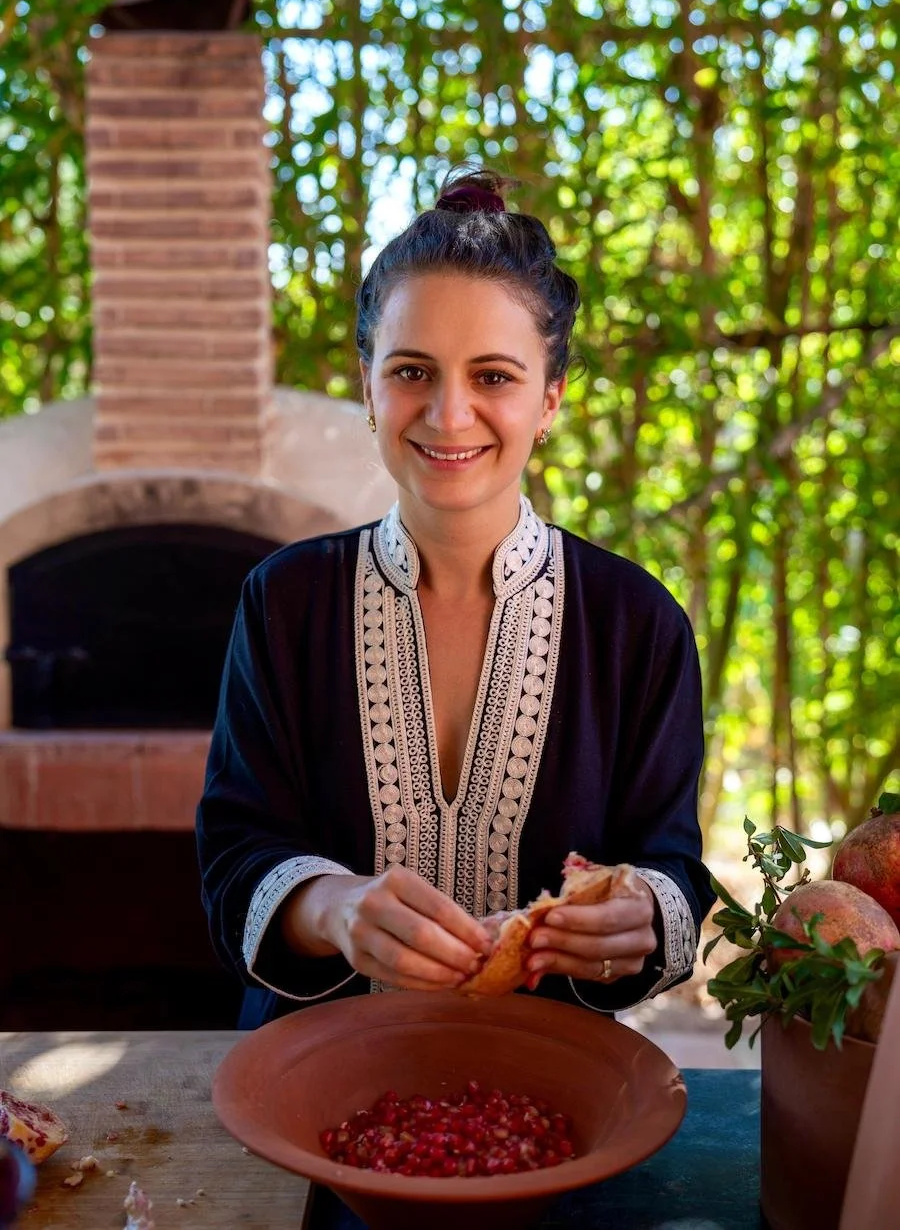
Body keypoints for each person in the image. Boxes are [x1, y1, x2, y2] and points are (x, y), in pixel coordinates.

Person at [196, 167, 715, 1030]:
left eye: (495, 377)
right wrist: (333, 909)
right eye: (412, 370)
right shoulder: (283, 601)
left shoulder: (638, 624)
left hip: (553, 1097)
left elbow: (674, 871)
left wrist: (640, 916)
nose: (448, 413)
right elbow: (233, 857)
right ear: (368, 386)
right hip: (307, 1084)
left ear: (549, 398)